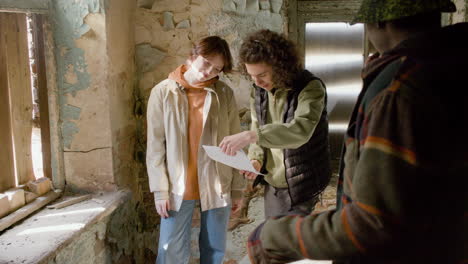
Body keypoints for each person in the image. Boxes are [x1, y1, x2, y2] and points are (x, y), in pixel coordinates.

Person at [245, 1, 468, 263]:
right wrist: (255, 152)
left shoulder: (398, 91)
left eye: (262, 74)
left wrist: (274, 237)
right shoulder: (452, 66)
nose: (257, 81)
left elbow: (372, 223)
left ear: (378, 22)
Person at [146, 36, 244, 264]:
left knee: (215, 249)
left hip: (217, 181)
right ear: (193, 56)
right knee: (170, 249)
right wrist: (160, 191)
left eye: (217, 69)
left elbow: (235, 144)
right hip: (178, 184)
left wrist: (238, 189)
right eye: (207, 63)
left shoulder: (224, 94)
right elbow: (155, 147)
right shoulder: (162, 92)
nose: (209, 72)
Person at [219, 29, 331, 218]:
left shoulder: (310, 87)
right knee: (272, 238)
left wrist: (251, 136)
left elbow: (300, 131)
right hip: (272, 180)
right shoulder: (259, 89)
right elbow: (256, 124)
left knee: (291, 242)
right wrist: (256, 159)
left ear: (280, 66)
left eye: (262, 74)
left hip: (303, 180)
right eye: (251, 75)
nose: (257, 81)